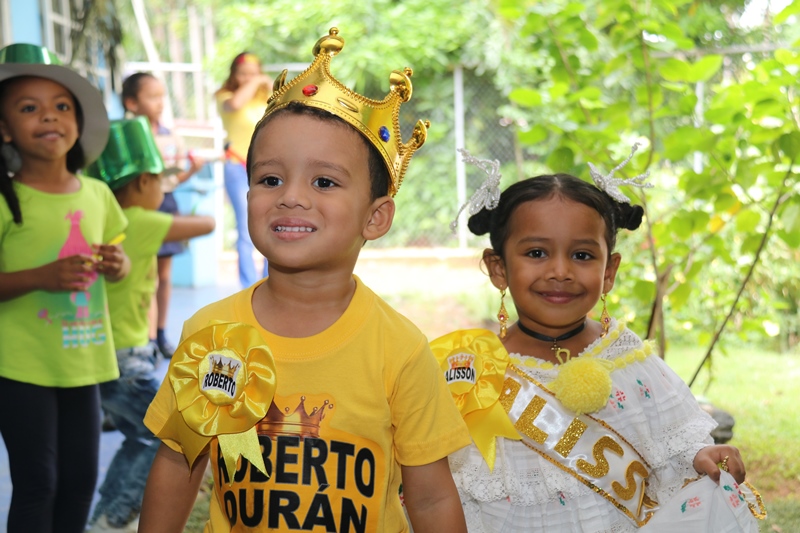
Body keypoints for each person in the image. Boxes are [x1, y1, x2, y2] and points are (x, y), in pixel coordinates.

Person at [140, 28, 470, 532]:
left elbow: (431, 499)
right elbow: (177, 464)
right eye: (270, 179)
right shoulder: (210, 334)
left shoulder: (400, 349)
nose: (291, 196)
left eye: (324, 181)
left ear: (376, 217)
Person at [431, 147, 766, 532]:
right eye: (536, 253)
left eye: (582, 255)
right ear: (498, 268)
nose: (560, 271)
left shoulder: (628, 358)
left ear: (610, 271)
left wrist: (703, 454)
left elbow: (672, 446)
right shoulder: (475, 373)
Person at [0, 43, 129, 533]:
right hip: (19, 366)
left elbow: (118, 259)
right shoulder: (6, 198)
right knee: (38, 484)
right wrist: (41, 277)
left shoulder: (97, 194)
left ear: (77, 122)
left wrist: (117, 264)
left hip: (84, 360)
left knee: (79, 483)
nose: (49, 116)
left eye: (61, 106)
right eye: (28, 108)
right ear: (4, 129)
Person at [82, 117, 215, 532]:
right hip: (125, 359)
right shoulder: (137, 220)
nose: (164, 190)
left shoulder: (107, 220)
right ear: (142, 182)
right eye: (161, 182)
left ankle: (105, 517)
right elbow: (207, 225)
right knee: (167, 432)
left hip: (108, 355)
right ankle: (115, 516)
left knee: (139, 436)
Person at [121, 72, 206, 358]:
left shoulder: (171, 136)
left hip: (165, 202)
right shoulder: (126, 137)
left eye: (162, 97)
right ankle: (143, 336)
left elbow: (171, 180)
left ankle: (160, 334)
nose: (160, 103)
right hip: (137, 209)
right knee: (146, 276)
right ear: (131, 102)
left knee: (164, 276)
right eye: (152, 97)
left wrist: (192, 171)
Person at [215, 51, 271, 288]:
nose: (249, 78)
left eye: (254, 73)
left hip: (266, 169)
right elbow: (236, 104)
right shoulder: (224, 97)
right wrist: (257, 80)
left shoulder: (264, 99)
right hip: (237, 166)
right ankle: (248, 286)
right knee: (246, 229)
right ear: (233, 75)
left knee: (271, 225)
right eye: (243, 74)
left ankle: (270, 282)